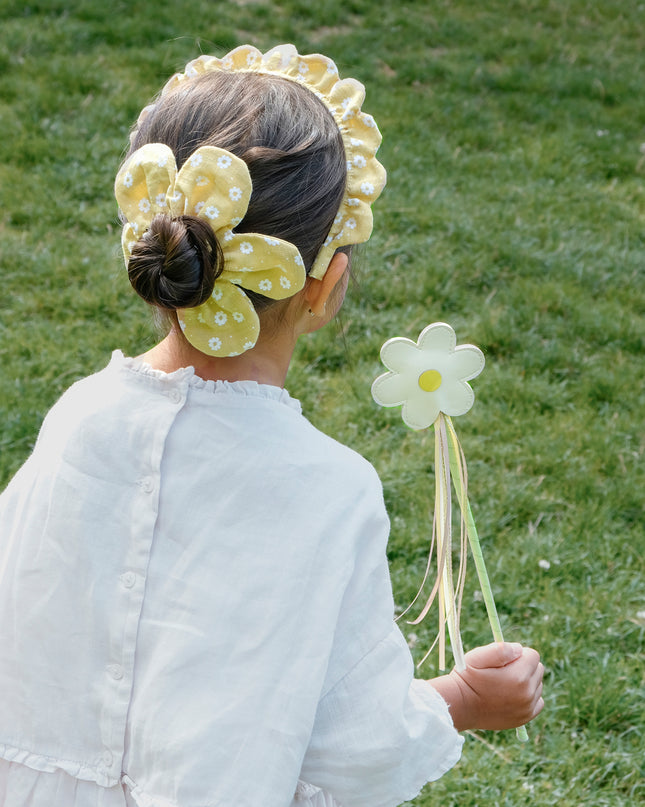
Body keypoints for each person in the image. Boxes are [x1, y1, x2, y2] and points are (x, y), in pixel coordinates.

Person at [0, 44, 544, 807]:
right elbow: (349, 743)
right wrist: (459, 698)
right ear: (325, 285)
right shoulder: (326, 488)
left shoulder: (80, 414)